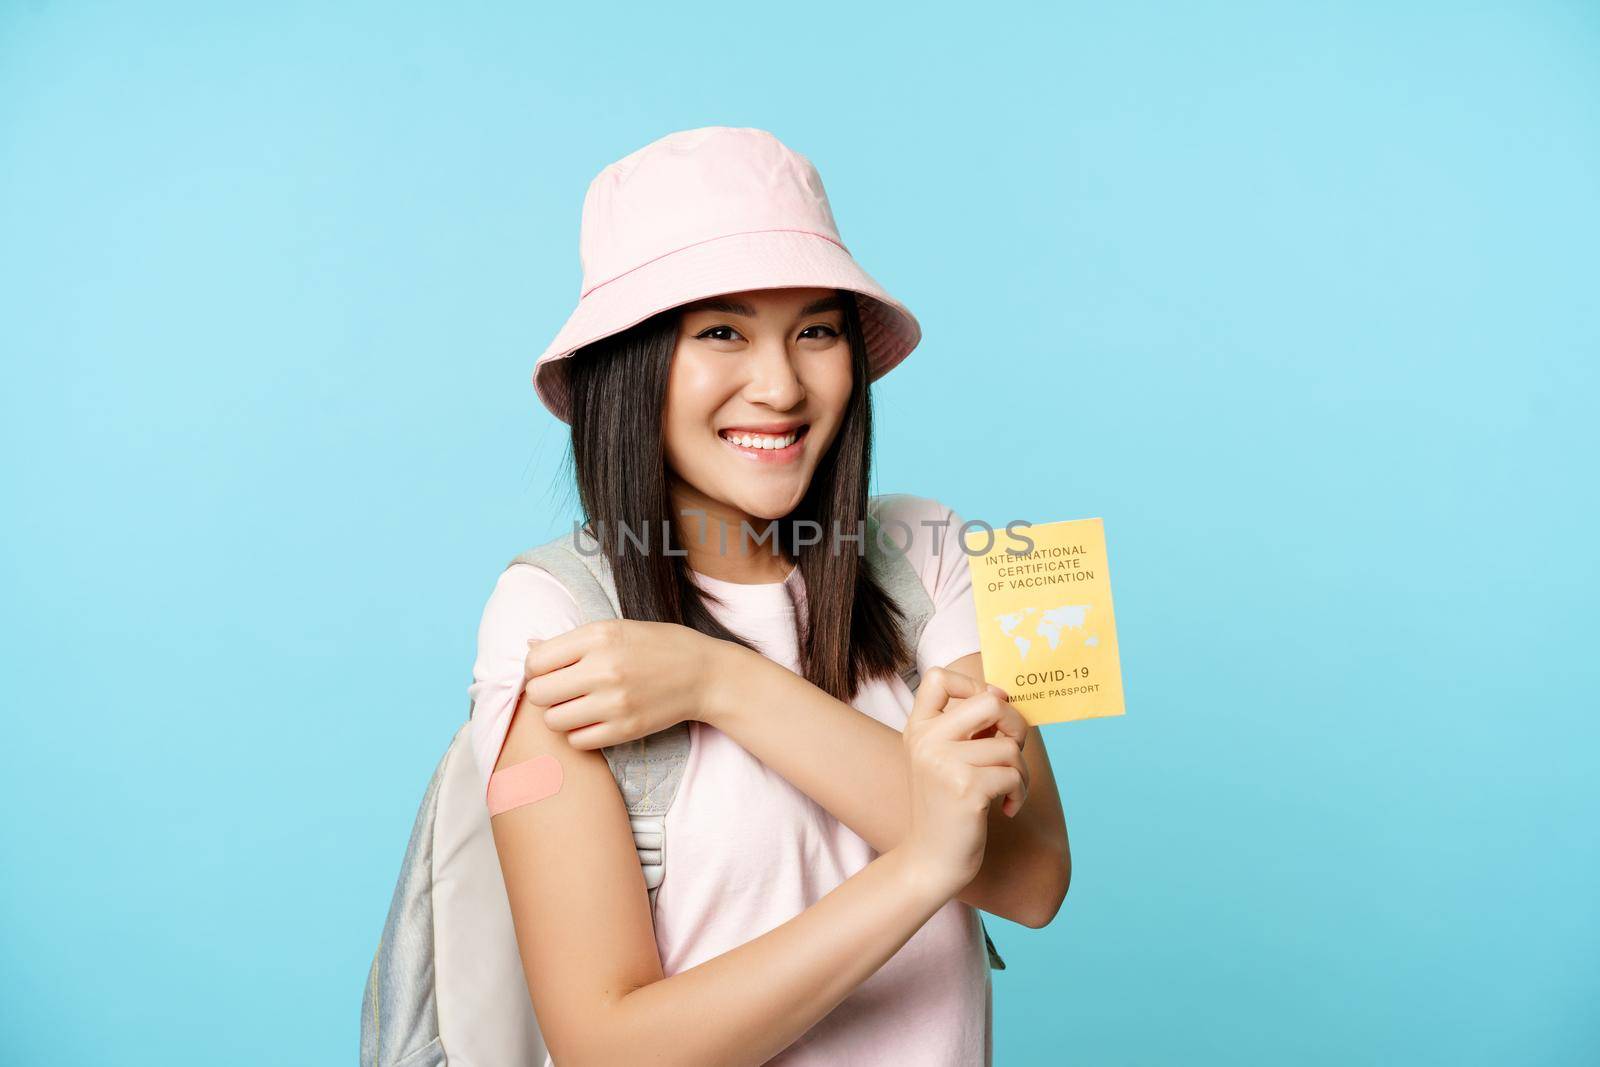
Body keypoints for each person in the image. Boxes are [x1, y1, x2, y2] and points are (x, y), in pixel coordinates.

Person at [469, 126, 1070, 1066]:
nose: (782, 384)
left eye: (817, 330)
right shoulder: (555, 609)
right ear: (629, 365)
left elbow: (1032, 876)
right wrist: (922, 869)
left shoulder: (931, 549)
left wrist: (726, 685)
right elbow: (607, 1047)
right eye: (721, 331)